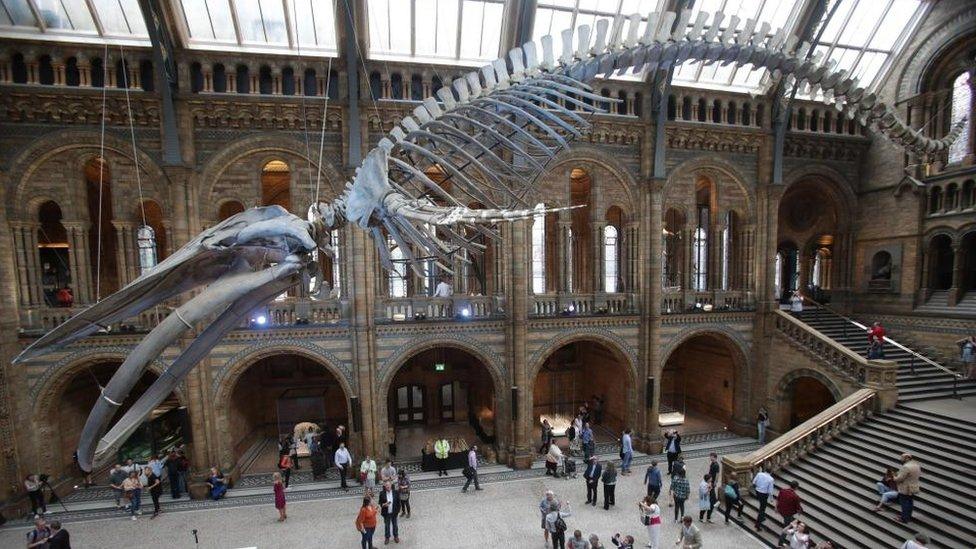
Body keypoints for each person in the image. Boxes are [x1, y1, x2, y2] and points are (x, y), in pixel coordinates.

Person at [894, 452, 921, 524]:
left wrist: (893, 477)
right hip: (913, 487)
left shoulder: (906, 467)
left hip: (905, 488)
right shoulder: (916, 465)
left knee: (904, 503)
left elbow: (899, 479)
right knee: (910, 502)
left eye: (902, 458)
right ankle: (908, 516)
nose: (901, 459)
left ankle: (904, 518)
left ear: (907, 458)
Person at [753, 464, 774, 531]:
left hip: (757, 491)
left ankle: (762, 517)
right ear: (771, 471)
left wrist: (757, 487)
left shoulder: (759, 474)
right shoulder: (771, 479)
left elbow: (754, 482)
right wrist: (771, 498)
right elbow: (770, 490)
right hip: (764, 494)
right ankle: (757, 525)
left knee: (762, 505)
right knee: (762, 509)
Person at [378, 480, 401, 544]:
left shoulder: (396, 492)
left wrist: (398, 511)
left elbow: (398, 502)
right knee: (387, 526)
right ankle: (387, 537)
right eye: (386, 485)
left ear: (391, 485)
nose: (387, 486)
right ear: (384, 486)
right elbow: (379, 502)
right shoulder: (382, 493)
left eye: (388, 485)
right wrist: (383, 504)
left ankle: (396, 536)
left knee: (395, 525)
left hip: (394, 512)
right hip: (386, 513)